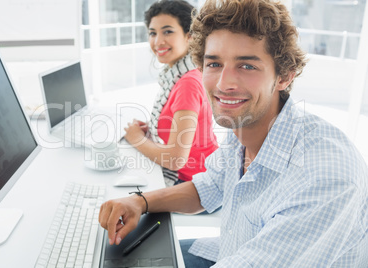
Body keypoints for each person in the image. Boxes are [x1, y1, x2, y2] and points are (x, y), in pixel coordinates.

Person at [99, 0, 368, 267]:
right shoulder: (244, 126)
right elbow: (209, 188)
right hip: (231, 249)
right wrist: (139, 202)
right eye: (214, 64)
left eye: (247, 66)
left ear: (284, 76)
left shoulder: (326, 176)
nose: (224, 83)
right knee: (122, 258)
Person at [123, 0, 218, 186]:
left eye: (167, 31)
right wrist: (152, 129)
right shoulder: (179, 74)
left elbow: (176, 160)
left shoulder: (187, 83)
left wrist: (136, 139)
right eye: (152, 33)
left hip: (194, 183)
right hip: (195, 175)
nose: (158, 41)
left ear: (189, 36)